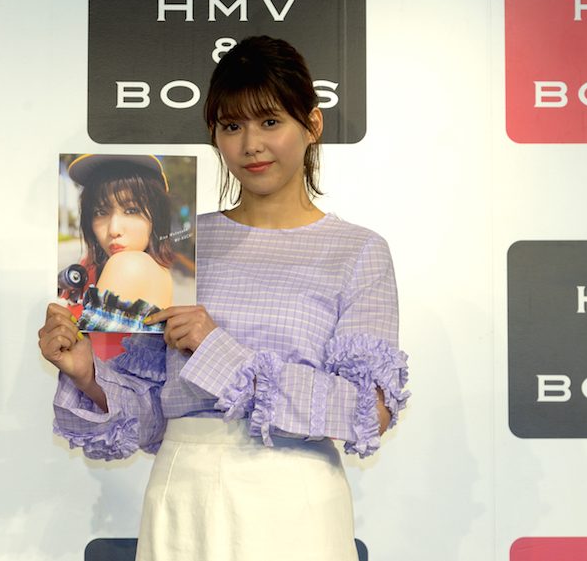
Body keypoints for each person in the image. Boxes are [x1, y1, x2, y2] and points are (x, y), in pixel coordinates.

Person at [38, 36, 409, 561]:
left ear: (312, 124)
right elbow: (152, 411)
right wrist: (87, 377)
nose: (251, 144)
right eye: (232, 126)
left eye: (270, 121)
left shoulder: (356, 251)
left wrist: (218, 351)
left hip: (296, 502)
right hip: (183, 495)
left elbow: (368, 411)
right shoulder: (182, 248)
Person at [65, 154, 175, 332]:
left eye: (132, 210)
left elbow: (85, 349)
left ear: (156, 216)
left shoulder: (128, 264)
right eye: (100, 212)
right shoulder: (156, 268)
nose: (114, 229)